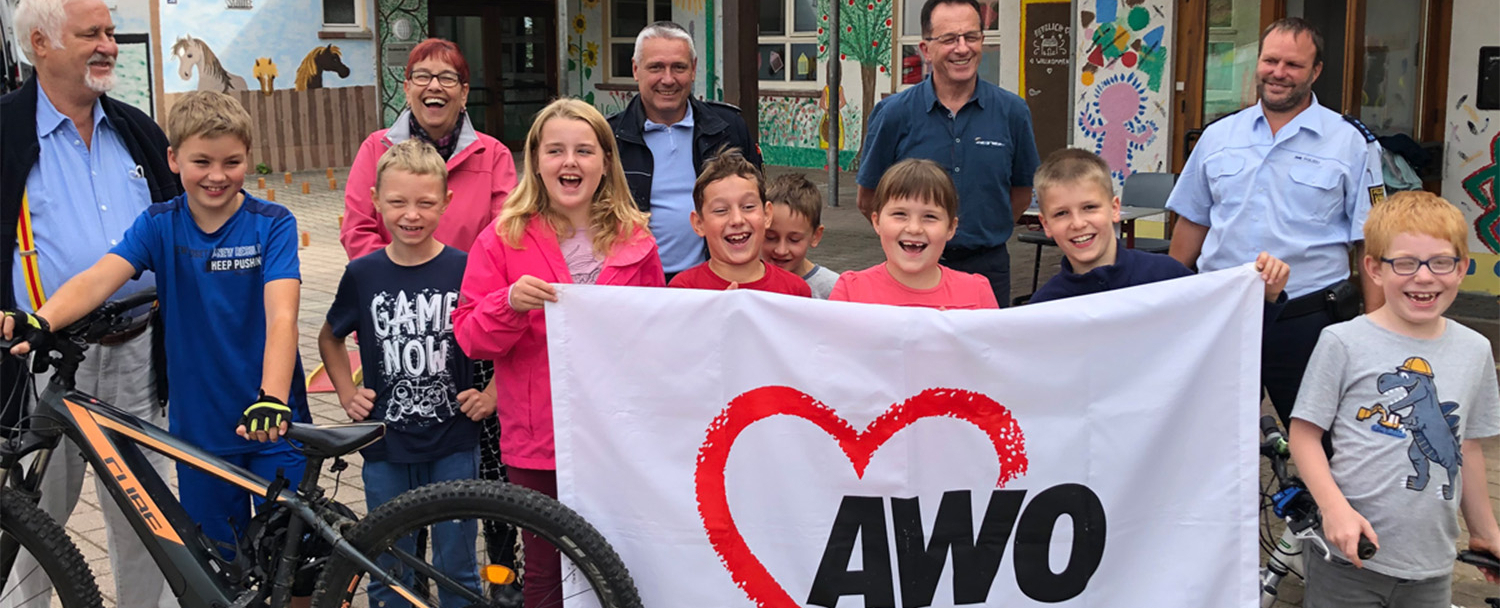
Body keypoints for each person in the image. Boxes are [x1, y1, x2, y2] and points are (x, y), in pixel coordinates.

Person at [4, 91, 308, 557]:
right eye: (201, 161)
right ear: (173, 159)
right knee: (221, 563)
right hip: (200, 431)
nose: (217, 175)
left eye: (231, 162)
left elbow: (283, 316)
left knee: (294, 562)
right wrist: (42, 319)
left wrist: (272, 397)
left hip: (272, 420)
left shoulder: (273, 223)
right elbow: (98, 279)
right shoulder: (158, 225)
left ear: (248, 158)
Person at [0, 0, 181, 605]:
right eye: (91, 34)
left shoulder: (137, 129)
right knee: (33, 524)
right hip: (42, 360)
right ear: (41, 43)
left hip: (137, 352)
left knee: (146, 521)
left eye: (110, 31)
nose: (109, 44)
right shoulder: (5, 131)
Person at [453, 98, 663, 608]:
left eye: (584, 151)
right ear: (535, 160)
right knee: (545, 571)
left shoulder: (637, 240)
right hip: (537, 437)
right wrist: (508, 303)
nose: (570, 162)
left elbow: (656, 338)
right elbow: (471, 337)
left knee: (619, 561)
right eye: (555, 150)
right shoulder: (502, 239)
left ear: (606, 162)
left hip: (615, 435)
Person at [1167, 17, 1387, 426]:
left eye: (1293, 65)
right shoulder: (1218, 136)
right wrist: (1171, 301)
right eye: (1270, 60)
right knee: (1212, 435)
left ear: (1315, 71)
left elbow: (1371, 242)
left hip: (1307, 318)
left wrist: (1376, 330)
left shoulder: (1350, 142)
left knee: (1319, 439)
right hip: (1222, 314)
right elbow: (1193, 222)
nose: (1278, 73)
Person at [1287, 191, 1500, 607]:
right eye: (1405, 263)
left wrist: (1485, 531)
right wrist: (1334, 510)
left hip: (1431, 564)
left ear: (1462, 268)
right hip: (1347, 559)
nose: (1424, 277)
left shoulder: (1476, 350)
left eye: (1441, 262)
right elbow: (1304, 435)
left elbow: (1468, 447)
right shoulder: (1342, 341)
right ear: (1374, 268)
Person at [319, 140, 491, 608]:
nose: (411, 215)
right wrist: (346, 392)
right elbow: (330, 337)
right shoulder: (363, 274)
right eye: (397, 202)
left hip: (454, 442)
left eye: (425, 203)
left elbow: (505, 333)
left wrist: (492, 394)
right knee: (388, 567)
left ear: (447, 202)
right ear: (375, 200)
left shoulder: (466, 268)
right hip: (386, 446)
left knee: (457, 567)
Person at [856, 0, 1040, 307]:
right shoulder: (893, 114)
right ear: (926, 49)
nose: (962, 48)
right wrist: (913, 239)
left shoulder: (1012, 112)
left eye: (971, 37)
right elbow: (868, 199)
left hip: (987, 267)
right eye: (949, 39)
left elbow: (1021, 192)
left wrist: (984, 230)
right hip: (912, 269)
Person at [1029, 148, 1289, 306]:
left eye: (1090, 207)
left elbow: (1222, 333)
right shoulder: (1044, 307)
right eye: (1061, 213)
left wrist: (1267, 297)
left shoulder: (1167, 276)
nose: (1078, 223)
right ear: (1045, 224)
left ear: (1115, 208)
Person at [609, 21, 762, 283]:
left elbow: (758, 200)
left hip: (717, 279)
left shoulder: (729, 128)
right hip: (637, 283)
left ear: (693, 69)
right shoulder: (609, 137)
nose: (668, 79)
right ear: (635, 69)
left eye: (678, 67)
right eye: (656, 67)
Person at [341, 37, 516, 258]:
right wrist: (397, 272)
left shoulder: (494, 155)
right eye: (422, 76)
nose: (434, 86)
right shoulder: (376, 148)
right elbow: (357, 231)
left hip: (470, 280)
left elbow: (506, 234)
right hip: (391, 279)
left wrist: (462, 274)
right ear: (407, 89)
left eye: (447, 78)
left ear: (464, 93)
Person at [831, 159, 997, 309]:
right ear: (877, 222)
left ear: (951, 228)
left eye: (930, 217)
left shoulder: (976, 293)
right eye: (900, 214)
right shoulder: (850, 292)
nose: (914, 228)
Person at [667, 150, 812, 296]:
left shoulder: (796, 290)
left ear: (767, 214)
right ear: (699, 223)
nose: (737, 220)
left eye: (748, 207)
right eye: (721, 210)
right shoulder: (683, 291)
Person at [763, 173, 839, 299]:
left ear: (816, 236)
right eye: (770, 237)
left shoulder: (833, 289)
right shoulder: (746, 280)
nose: (781, 250)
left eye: (794, 240)